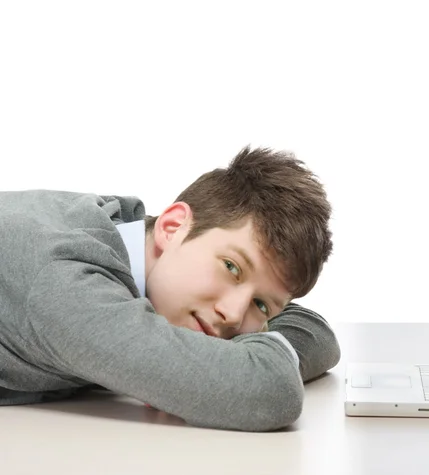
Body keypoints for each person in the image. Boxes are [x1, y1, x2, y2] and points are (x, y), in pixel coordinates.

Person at [0, 146, 340, 432]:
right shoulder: (63, 280)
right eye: (231, 267)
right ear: (172, 226)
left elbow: (316, 332)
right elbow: (271, 390)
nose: (234, 315)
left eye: (262, 305)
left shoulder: (128, 237)